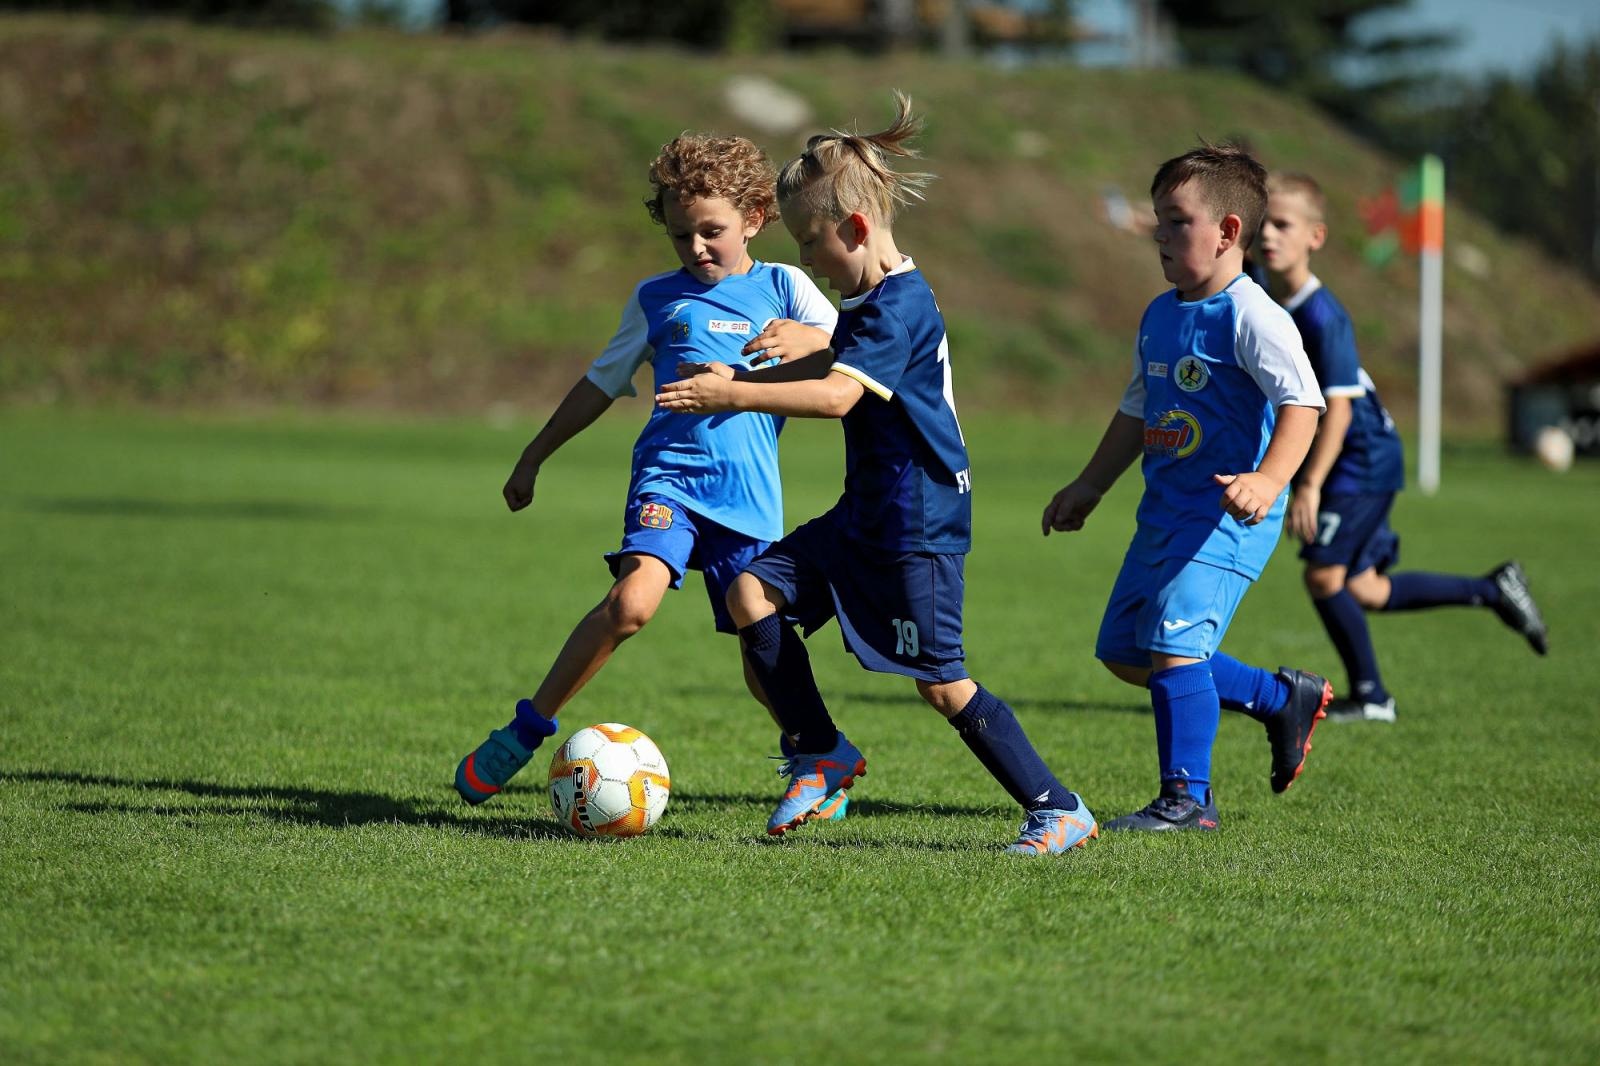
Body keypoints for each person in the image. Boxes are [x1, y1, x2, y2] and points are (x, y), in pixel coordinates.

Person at [657, 93, 1097, 855]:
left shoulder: (900, 305)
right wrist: (807, 347)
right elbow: (845, 365)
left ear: (856, 230)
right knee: (749, 591)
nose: (804, 260)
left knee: (941, 682)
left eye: (809, 241)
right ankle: (818, 748)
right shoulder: (869, 299)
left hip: (916, 524)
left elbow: (837, 397)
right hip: (867, 510)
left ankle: (1057, 807)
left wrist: (731, 390)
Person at [454, 132, 838, 806]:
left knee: (761, 648)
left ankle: (817, 757)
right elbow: (601, 382)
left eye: (711, 231)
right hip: (669, 478)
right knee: (631, 605)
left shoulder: (787, 286)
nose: (696, 248)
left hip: (747, 497)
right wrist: (534, 454)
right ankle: (524, 728)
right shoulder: (657, 297)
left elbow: (857, 352)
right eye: (681, 234)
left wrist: (810, 337)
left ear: (753, 216)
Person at [1041, 143, 1333, 833]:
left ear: (1228, 232)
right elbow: (1139, 411)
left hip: (1228, 518)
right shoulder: (1161, 315)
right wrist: (1090, 485)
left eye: (1176, 223)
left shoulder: (1252, 315)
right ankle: (1276, 696)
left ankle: (1187, 799)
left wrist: (1269, 480)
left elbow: (1304, 404)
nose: (1160, 238)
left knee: (1174, 643)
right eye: (1157, 222)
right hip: (1164, 512)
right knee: (1125, 651)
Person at [1258, 171, 1548, 723]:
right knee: (1364, 588)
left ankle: (1372, 697)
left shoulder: (1323, 315)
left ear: (1315, 237)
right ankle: (1493, 590)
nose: (1268, 235)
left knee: (1323, 575)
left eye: (1282, 224)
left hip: (1360, 457)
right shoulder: (1265, 294)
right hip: (1353, 455)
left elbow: (1338, 408)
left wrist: (1309, 485)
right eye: (1262, 223)